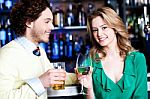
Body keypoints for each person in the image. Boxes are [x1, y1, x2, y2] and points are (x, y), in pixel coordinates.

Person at [0, 0, 67, 99]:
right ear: (29, 22)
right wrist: (40, 83)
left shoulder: (39, 51)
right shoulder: (7, 54)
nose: (52, 27)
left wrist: (80, 76)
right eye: (47, 21)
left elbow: (54, 76)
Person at [76, 7, 148, 99]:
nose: (99, 34)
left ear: (115, 28)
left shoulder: (137, 59)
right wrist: (89, 88)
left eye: (104, 28)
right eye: (95, 30)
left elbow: (141, 96)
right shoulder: (90, 62)